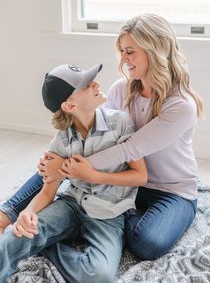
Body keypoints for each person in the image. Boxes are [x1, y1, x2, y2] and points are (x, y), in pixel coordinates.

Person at [0, 13, 203, 261]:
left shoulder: (181, 105)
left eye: (130, 51)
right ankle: (7, 213)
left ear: (155, 50)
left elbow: (128, 149)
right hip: (127, 182)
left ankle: (84, 226)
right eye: (121, 51)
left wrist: (67, 167)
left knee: (146, 243)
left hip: (171, 190)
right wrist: (56, 160)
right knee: (68, 158)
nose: (124, 59)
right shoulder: (122, 88)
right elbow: (95, 136)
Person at [0, 63, 147, 283]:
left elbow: (140, 176)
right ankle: (34, 240)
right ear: (70, 105)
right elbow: (48, 192)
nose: (96, 83)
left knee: (99, 275)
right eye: (87, 85)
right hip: (70, 205)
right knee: (18, 234)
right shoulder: (61, 140)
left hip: (109, 214)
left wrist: (94, 176)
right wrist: (27, 213)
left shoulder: (120, 123)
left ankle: (45, 245)